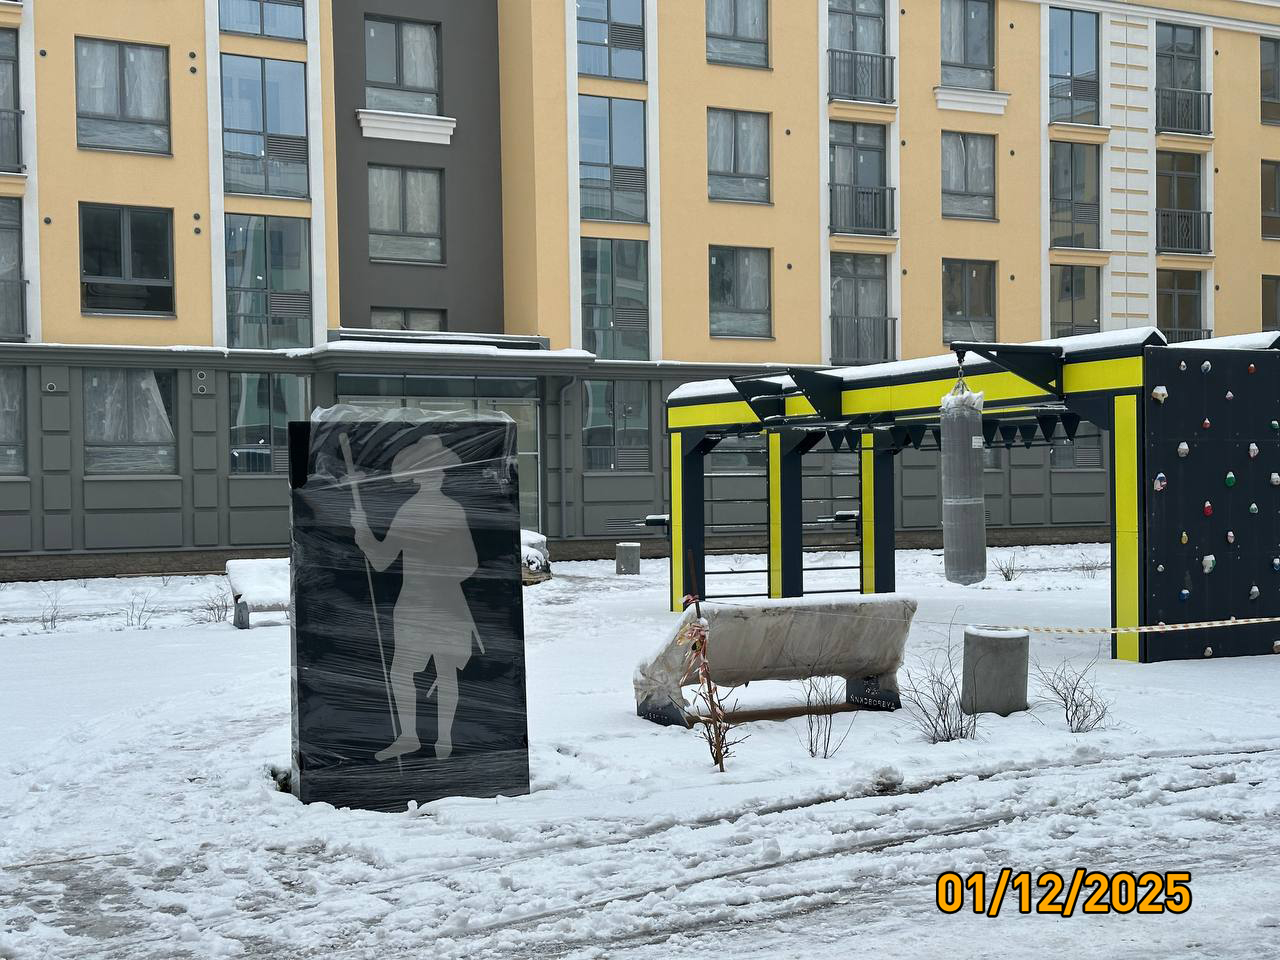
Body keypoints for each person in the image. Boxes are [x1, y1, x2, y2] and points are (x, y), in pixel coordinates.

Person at [348, 434, 479, 761]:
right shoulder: (439, 510)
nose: (440, 474)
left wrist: (363, 534)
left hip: (428, 604)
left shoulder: (421, 510)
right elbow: (469, 564)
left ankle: (428, 740)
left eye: (441, 469)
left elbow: (381, 560)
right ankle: (430, 741)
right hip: (435, 604)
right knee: (431, 673)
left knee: (432, 672)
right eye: (435, 469)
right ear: (421, 476)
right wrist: (363, 532)